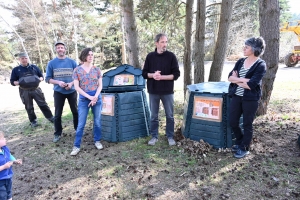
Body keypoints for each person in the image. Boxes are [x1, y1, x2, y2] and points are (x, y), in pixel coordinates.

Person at [228, 37, 266, 159]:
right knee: (233, 121)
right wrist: (242, 80)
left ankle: (244, 148)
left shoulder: (261, 64)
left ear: (254, 49)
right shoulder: (240, 62)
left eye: (247, 47)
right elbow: (230, 77)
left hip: (250, 99)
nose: (244, 48)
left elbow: (251, 85)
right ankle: (240, 141)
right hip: (237, 96)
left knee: (247, 124)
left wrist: (237, 79)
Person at [142, 33, 181, 146]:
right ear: (157, 43)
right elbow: (144, 73)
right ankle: (154, 136)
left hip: (167, 91)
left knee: (169, 115)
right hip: (153, 91)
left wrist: (162, 77)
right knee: (154, 116)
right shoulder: (150, 57)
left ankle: (170, 136)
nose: (165, 44)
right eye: (162, 42)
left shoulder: (171, 56)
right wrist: (153, 75)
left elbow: (176, 74)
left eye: (166, 42)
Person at [70, 48, 103, 156]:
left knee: (97, 121)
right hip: (84, 99)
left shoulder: (97, 70)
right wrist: (89, 97)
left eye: (92, 54)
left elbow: (100, 85)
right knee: (81, 124)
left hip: (96, 98)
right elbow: (77, 87)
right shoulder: (77, 70)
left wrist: (95, 97)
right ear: (84, 56)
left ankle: (97, 141)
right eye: (88, 54)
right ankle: (76, 146)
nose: (91, 56)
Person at [45, 41, 78, 143]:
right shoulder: (51, 63)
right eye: (58, 48)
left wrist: (72, 84)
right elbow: (48, 79)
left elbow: (77, 77)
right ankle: (57, 133)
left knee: (75, 112)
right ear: (56, 50)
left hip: (71, 91)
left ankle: (78, 129)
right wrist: (58, 82)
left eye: (62, 47)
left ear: (65, 49)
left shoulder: (72, 62)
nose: (60, 49)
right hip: (59, 92)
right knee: (58, 114)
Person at [10, 53, 54, 127]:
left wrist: (39, 79)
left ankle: (50, 117)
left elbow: (41, 76)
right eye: (22, 58)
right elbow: (12, 81)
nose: (24, 60)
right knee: (29, 107)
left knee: (43, 104)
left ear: (28, 58)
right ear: (19, 59)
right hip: (24, 91)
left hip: (36, 89)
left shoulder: (34, 67)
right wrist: (19, 82)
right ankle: (33, 121)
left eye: (25, 58)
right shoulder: (16, 70)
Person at [0, 131, 22, 200]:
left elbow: (9, 156)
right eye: (3, 138)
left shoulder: (5, 148)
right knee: (2, 196)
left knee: (9, 194)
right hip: (0, 181)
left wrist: (15, 161)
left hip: (8, 177)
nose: (5, 139)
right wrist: (4, 167)